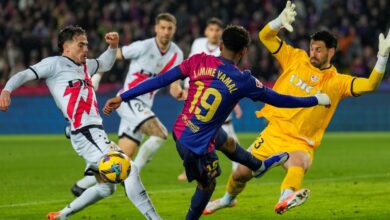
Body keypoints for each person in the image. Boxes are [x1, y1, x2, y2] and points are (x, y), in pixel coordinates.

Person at [102, 24, 331, 220]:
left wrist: (122, 96)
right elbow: (280, 99)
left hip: (182, 130)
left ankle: (258, 166)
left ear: (221, 46)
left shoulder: (197, 61)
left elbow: (160, 80)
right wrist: (314, 99)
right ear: (243, 52)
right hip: (195, 147)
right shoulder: (244, 80)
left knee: (227, 141)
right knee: (208, 185)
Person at [204, 1, 390, 215]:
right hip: (274, 133)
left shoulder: (337, 82)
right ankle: (228, 199)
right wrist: (277, 22)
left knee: (298, 161)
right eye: (312, 48)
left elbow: (369, 85)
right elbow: (265, 37)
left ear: (331, 52)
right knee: (240, 173)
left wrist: (382, 58)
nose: (313, 53)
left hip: (300, 142)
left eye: (319, 50)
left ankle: (286, 197)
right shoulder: (295, 58)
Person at [0, 26, 161, 220]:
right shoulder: (54, 64)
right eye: (81, 44)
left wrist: (113, 47)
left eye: (87, 44)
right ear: (66, 47)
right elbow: (24, 75)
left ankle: (62, 215)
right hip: (85, 131)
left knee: (105, 188)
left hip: (92, 131)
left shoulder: (85, 66)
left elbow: (105, 64)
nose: (86, 49)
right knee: (129, 168)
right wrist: (7, 90)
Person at [71, 12, 185, 196]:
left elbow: (174, 87)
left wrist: (182, 93)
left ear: (174, 30)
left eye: (169, 28)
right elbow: (115, 54)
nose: (165, 32)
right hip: (128, 99)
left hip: (143, 106)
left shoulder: (177, 54)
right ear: (156, 28)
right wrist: (98, 75)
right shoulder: (143, 46)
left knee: (122, 158)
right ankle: (133, 177)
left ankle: (81, 185)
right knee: (160, 134)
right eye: (162, 28)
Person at [177, 17, 243, 182]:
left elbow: (232, 75)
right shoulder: (198, 44)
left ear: (221, 33)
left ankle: (237, 170)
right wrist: (186, 86)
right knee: (196, 131)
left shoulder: (224, 51)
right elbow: (190, 64)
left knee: (223, 131)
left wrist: (235, 103)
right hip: (200, 92)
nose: (214, 33)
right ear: (206, 31)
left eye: (217, 30)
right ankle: (195, 168)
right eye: (211, 30)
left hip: (219, 93)